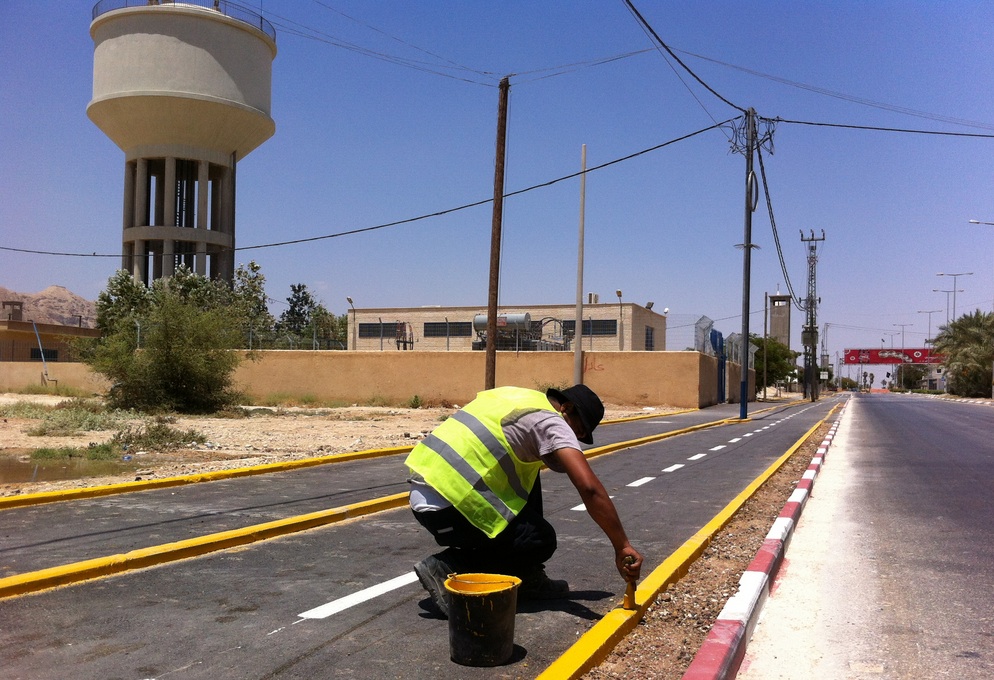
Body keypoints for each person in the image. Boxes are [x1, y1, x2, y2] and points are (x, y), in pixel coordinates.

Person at [406, 384, 643, 617]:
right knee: (540, 540)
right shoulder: (551, 422)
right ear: (566, 408)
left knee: (529, 475)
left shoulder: (517, 396)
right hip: (452, 507)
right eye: (577, 432)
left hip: (426, 494)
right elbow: (589, 488)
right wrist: (621, 545)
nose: (574, 440)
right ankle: (451, 567)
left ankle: (526, 575)